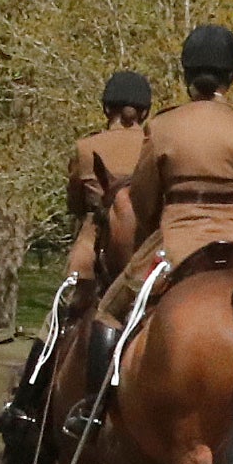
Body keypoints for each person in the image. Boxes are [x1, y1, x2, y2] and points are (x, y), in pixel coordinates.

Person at [98, 27, 233, 322]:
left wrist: (149, 232)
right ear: (231, 76)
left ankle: (111, 368)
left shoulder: (162, 127)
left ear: (186, 74)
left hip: (176, 244)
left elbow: (143, 199)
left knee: (107, 315)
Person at [64, 72, 152, 301]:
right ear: (144, 112)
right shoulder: (155, 145)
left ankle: (51, 333)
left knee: (71, 291)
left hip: (98, 231)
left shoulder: (85, 147)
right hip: (149, 232)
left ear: (106, 109)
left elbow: (75, 204)